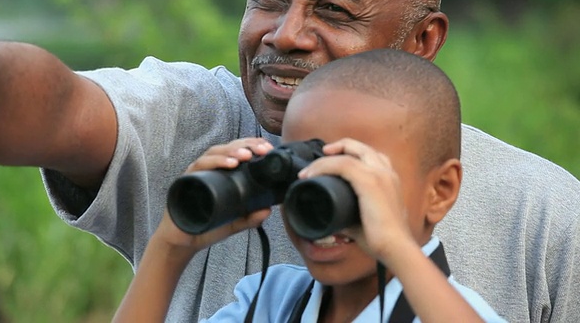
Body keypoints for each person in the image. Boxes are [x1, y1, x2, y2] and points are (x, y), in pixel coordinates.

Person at [0, 0, 578, 322]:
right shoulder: (272, 301)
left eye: (333, 10)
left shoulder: (546, 217)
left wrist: (395, 246)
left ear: (423, 42)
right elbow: (61, 108)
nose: (285, 35)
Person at [112, 49, 506, 323]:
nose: (320, 205)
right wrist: (170, 247)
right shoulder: (272, 302)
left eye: (352, 178)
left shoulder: (454, 312)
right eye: (300, 173)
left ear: (440, 190)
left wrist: (393, 245)